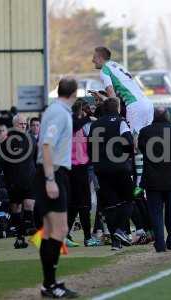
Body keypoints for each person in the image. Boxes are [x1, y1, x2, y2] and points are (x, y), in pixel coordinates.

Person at [35, 76, 79, 298]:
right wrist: (50, 179)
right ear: (74, 93)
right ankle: (49, 284)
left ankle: (49, 284)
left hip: (53, 172)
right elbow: (46, 145)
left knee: (51, 231)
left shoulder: (57, 111)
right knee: (59, 230)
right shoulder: (59, 113)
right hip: (53, 173)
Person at [91, 47, 153, 194]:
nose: (92, 60)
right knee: (143, 146)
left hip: (135, 105)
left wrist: (109, 106)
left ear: (100, 58)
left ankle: (138, 186)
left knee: (131, 144)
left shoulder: (104, 70)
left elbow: (113, 97)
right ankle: (144, 184)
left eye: (94, 57)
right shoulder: (117, 65)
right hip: (147, 103)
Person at [138, 107, 171, 252]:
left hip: (152, 178)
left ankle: (159, 243)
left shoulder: (145, 131)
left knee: (156, 212)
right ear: (167, 116)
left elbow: (141, 148)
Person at [88, 97, 134, 251]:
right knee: (129, 199)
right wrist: (126, 155)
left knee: (110, 205)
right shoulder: (121, 122)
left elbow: (90, 149)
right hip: (120, 167)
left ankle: (116, 242)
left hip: (101, 170)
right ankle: (121, 230)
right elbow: (128, 142)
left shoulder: (95, 125)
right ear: (118, 108)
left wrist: (97, 163)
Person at [0, 114, 37, 249]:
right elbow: (1, 160)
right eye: (20, 124)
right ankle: (19, 237)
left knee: (29, 206)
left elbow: (36, 158)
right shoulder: (6, 140)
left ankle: (23, 236)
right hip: (13, 181)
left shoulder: (32, 139)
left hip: (30, 179)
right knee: (16, 209)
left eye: (25, 124)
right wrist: (1, 179)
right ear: (14, 124)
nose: (23, 126)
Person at [66, 100, 100, 247]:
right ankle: (87, 237)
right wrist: (88, 118)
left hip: (80, 167)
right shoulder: (72, 123)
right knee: (84, 204)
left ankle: (65, 235)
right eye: (85, 110)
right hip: (75, 167)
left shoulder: (81, 125)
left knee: (75, 204)